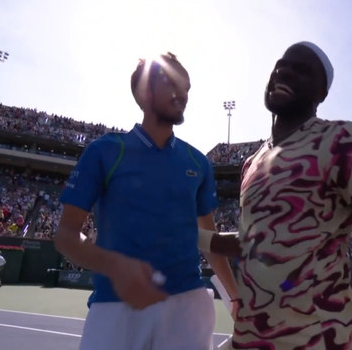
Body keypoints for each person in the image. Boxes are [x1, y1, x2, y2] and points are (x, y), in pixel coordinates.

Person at [222, 42, 352, 350]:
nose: (284, 71)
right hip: (253, 339)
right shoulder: (250, 163)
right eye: (281, 64)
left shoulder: (342, 139)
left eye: (301, 70)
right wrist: (196, 236)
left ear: (322, 94)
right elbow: (252, 242)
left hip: (325, 339)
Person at [54, 52, 238, 350]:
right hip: (115, 305)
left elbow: (208, 239)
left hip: (188, 307)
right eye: (174, 84)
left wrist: (236, 296)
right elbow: (66, 234)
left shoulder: (198, 162)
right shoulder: (104, 151)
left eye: (187, 88)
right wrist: (114, 266)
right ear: (145, 92)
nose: (184, 95)